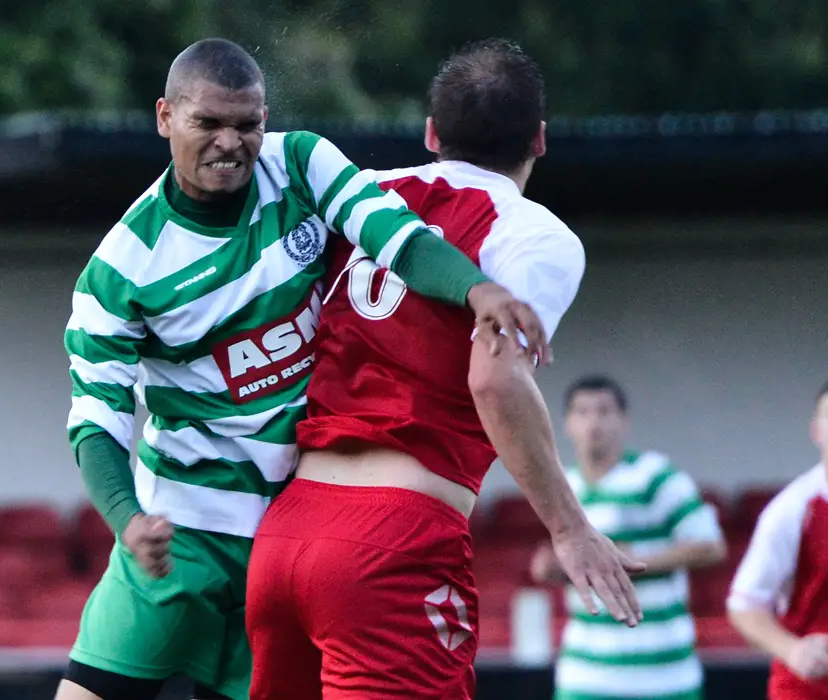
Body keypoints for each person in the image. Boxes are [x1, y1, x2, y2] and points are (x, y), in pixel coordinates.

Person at [58, 37, 549, 700]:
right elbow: (95, 420)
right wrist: (127, 520)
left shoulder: (299, 162)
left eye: (248, 124)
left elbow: (392, 234)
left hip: (283, 528)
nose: (232, 143)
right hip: (184, 535)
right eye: (209, 123)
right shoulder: (119, 271)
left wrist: (476, 290)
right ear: (165, 117)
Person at [245, 39, 645, 700]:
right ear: (540, 140)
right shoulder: (534, 235)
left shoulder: (363, 194)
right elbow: (493, 378)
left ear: (432, 133)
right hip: (390, 546)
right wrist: (570, 528)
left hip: (286, 532)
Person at [531, 375, 727, 700]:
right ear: (566, 424)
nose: (594, 422)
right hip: (585, 676)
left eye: (604, 411)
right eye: (582, 412)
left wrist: (627, 562)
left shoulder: (656, 476)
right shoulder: (562, 487)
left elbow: (710, 547)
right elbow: (566, 564)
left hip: (664, 677)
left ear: (624, 420)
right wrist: (552, 569)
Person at [727, 381, 828, 699]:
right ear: (816, 430)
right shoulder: (795, 509)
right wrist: (793, 649)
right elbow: (744, 604)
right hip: (808, 689)